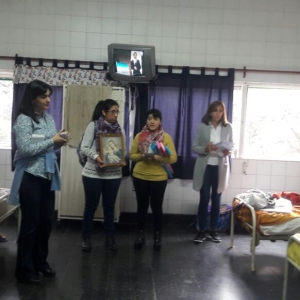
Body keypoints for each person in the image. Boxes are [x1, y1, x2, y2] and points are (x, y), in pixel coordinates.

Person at [8, 80, 68, 284]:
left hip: (47, 175)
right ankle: (24, 270)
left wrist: (58, 140)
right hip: (30, 177)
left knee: (45, 223)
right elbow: (25, 149)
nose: (48, 100)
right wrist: (53, 141)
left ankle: (40, 263)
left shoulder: (49, 119)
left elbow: (44, 144)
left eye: (49, 95)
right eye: (43, 96)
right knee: (30, 224)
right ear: (32, 98)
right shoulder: (24, 120)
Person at [80, 99, 126, 253]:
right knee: (90, 207)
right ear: (104, 112)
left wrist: (121, 159)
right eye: (113, 111)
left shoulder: (119, 129)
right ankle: (86, 237)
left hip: (113, 175)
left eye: (117, 111)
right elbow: (84, 148)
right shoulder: (93, 126)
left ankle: (110, 237)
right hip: (93, 173)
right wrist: (96, 157)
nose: (115, 114)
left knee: (109, 208)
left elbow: (121, 150)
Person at [130, 109, 177, 251]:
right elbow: (132, 155)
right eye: (149, 118)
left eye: (155, 119)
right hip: (140, 176)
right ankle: (140, 235)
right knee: (142, 207)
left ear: (160, 121)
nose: (152, 121)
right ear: (146, 120)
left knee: (157, 208)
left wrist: (160, 158)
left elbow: (174, 157)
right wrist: (142, 156)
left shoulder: (166, 137)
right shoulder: (139, 136)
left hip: (159, 178)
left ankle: (157, 236)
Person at [192, 100, 233, 244]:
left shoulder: (228, 127)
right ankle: (201, 231)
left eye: (221, 111)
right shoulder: (203, 126)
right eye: (215, 110)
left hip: (220, 168)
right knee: (204, 199)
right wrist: (206, 148)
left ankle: (214, 230)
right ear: (210, 112)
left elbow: (231, 146)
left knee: (217, 201)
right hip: (206, 167)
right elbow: (195, 147)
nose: (218, 114)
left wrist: (227, 151)